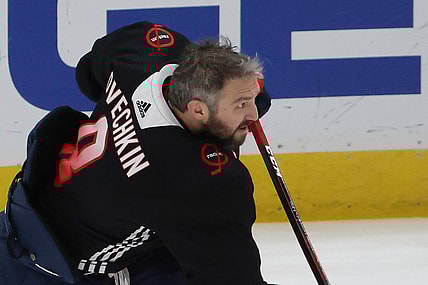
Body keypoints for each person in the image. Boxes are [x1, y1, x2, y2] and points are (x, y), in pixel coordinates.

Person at [0, 21, 272, 284]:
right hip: (55, 267)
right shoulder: (196, 180)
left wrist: (236, 101)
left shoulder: (144, 51)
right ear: (198, 109)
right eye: (241, 104)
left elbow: (87, 73)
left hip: (30, 209)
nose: (254, 113)